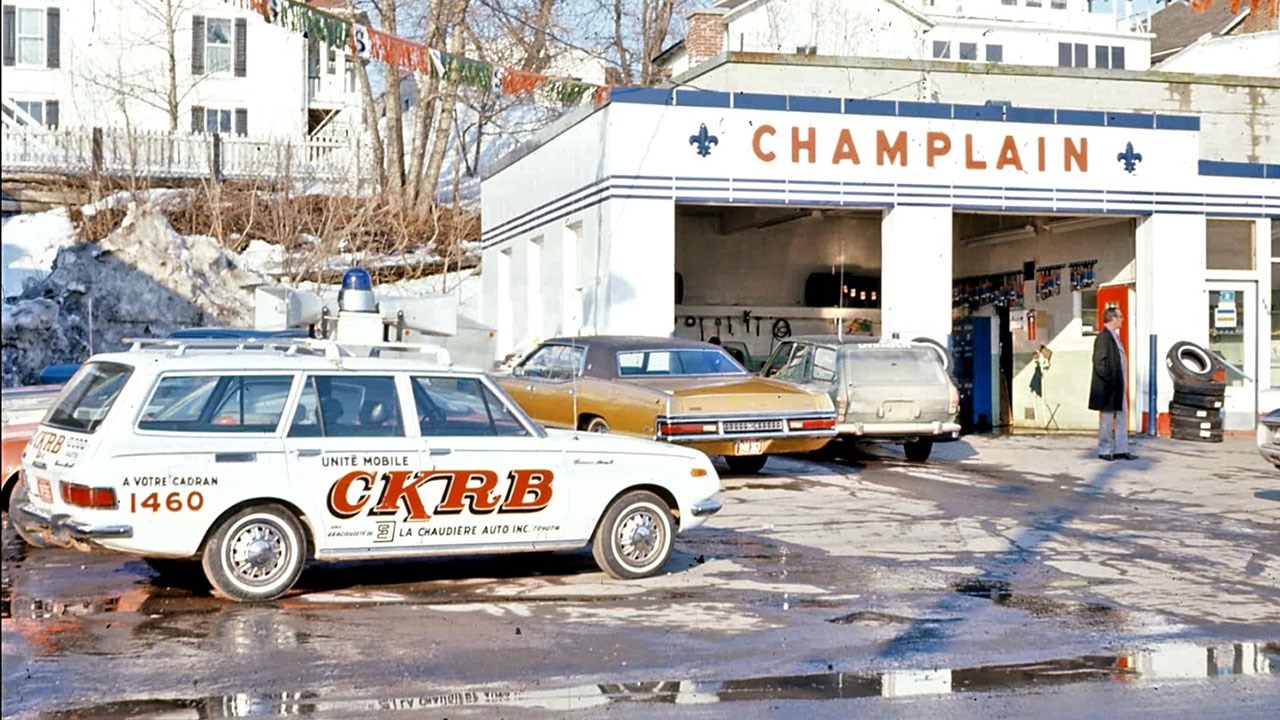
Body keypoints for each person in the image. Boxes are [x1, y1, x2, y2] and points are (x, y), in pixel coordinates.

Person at [1089, 306, 1136, 461]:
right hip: (1108, 387)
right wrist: (1110, 380)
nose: (1122, 319)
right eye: (1120, 316)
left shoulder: (1115, 337)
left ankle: (1121, 449)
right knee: (1107, 419)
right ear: (1113, 318)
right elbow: (1099, 363)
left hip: (1119, 386)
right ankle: (1105, 449)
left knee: (1122, 416)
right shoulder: (1103, 337)